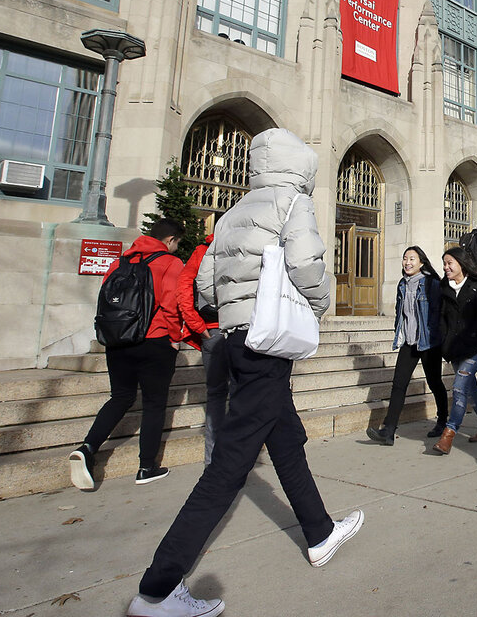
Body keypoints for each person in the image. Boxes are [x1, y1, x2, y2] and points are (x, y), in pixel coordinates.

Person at [127, 129, 363, 617]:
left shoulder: (235, 210)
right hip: (267, 343)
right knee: (229, 468)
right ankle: (158, 588)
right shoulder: (290, 201)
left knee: (285, 438)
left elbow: (207, 286)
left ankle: (318, 532)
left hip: (235, 340)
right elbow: (307, 262)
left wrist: (235, 306)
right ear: (299, 166)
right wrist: (318, 306)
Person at [69, 219, 185, 492]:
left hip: (118, 340)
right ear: (170, 240)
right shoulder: (170, 263)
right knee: (155, 404)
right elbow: (171, 306)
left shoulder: (120, 262)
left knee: (120, 396)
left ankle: (88, 447)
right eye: (177, 243)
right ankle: (147, 467)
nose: (177, 248)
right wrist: (174, 338)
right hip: (154, 340)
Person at [366, 246, 450, 445]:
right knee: (398, 385)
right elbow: (400, 312)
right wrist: (400, 333)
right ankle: (388, 431)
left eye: (412, 258)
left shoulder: (431, 283)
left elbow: (440, 312)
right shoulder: (402, 284)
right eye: (405, 258)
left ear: (421, 262)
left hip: (428, 342)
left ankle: (443, 421)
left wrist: (440, 337)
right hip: (408, 342)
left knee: (434, 382)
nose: (407, 262)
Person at [432, 246, 477, 454]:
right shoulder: (444, 288)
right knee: (470, 388)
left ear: (461, 264)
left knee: (459, 388)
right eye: (444, 263)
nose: (446, 267)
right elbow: (441, 320)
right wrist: (443, 342)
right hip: (453, 347)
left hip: (475, 348)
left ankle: (448, 435)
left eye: (450, 263)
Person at [177, 233, 228, 465]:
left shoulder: (203, 250)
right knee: (234, 393)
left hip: (214, 329)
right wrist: (198, 325)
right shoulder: (209, 249)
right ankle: (228, 458)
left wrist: (196, 325)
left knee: (218, 394)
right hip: (224, 328)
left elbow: (184, 287)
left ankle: (214, 461)